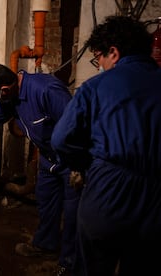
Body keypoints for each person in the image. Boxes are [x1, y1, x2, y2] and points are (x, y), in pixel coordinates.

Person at [51, 16, 161, 276]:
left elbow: (61, 139)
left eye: (98, 57)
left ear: (114, 52)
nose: (98, 64)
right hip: (157, 198)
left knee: (93, 266)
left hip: (110, 189)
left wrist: (82, 165)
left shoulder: (95, 87)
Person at [0, 63, 81, 275]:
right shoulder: (10, 97)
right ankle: (45, 245)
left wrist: (79, 166)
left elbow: (77, 125)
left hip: (70, 161)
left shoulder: (46, 91)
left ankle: (69, 263)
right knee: (46, 203)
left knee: (72, 214)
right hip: (48, 159)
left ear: (4, 89)